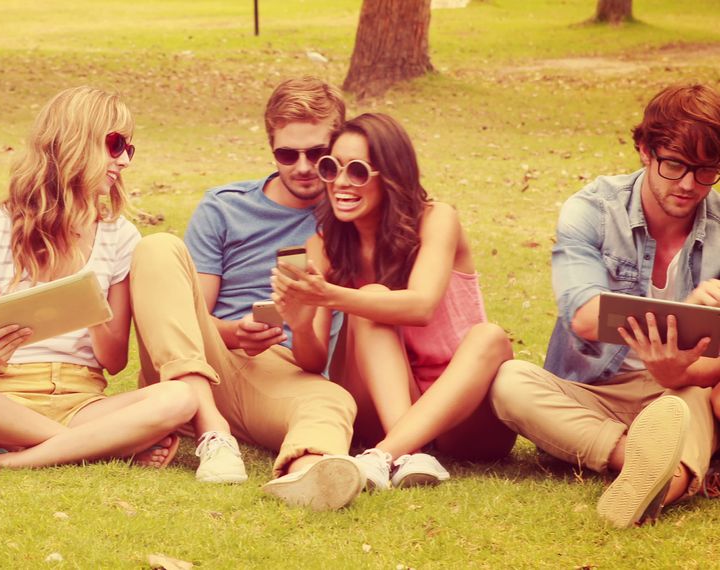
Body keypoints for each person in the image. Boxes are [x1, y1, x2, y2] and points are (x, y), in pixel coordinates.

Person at [0, 86, 200, 471]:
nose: (124, 161)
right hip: (5, 403)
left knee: (180, 397)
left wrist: (91, 311)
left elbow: (114, 361)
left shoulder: (121, 237)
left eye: (129, 150)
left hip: (84, 401)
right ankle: (106, 446)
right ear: (73, 143)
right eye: (115, 144)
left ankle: (7, 461)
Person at [490, 84, 720, 528]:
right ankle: (639, 460)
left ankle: (659, 485)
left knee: (690, 400)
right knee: (509, 381)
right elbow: (585, 314)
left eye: (707, 170)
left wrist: (677, 372)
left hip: (679, 390)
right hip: (595, 390)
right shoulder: (592, 209)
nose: (689, 184)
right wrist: (678, 315)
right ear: (644, 150)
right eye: (674, 165)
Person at [129, 77, 364, 509]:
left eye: (317, 153)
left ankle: (309, 473)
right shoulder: (224, 206)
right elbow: (185, 314)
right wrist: (236, 333)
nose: (303, 166)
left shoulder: (353, 214)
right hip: (203, 362)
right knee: (157, 247)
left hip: (287, 377)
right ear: (271, 146)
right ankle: (211, 429)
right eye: (287, 153)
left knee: (330, 400)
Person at [271, 112, 516, 490]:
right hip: (381, 405)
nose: (340, 182)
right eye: (330, 168)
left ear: (391, 175)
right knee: (369, 299)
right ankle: (404, 453)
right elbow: (313, 361)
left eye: (356, 171)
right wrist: (301, 322)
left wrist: (332, 295)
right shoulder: (324, 245)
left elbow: (421, 306)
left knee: (490, 337)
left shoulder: (437, 220)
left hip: (460, 411)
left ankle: (387, 454)